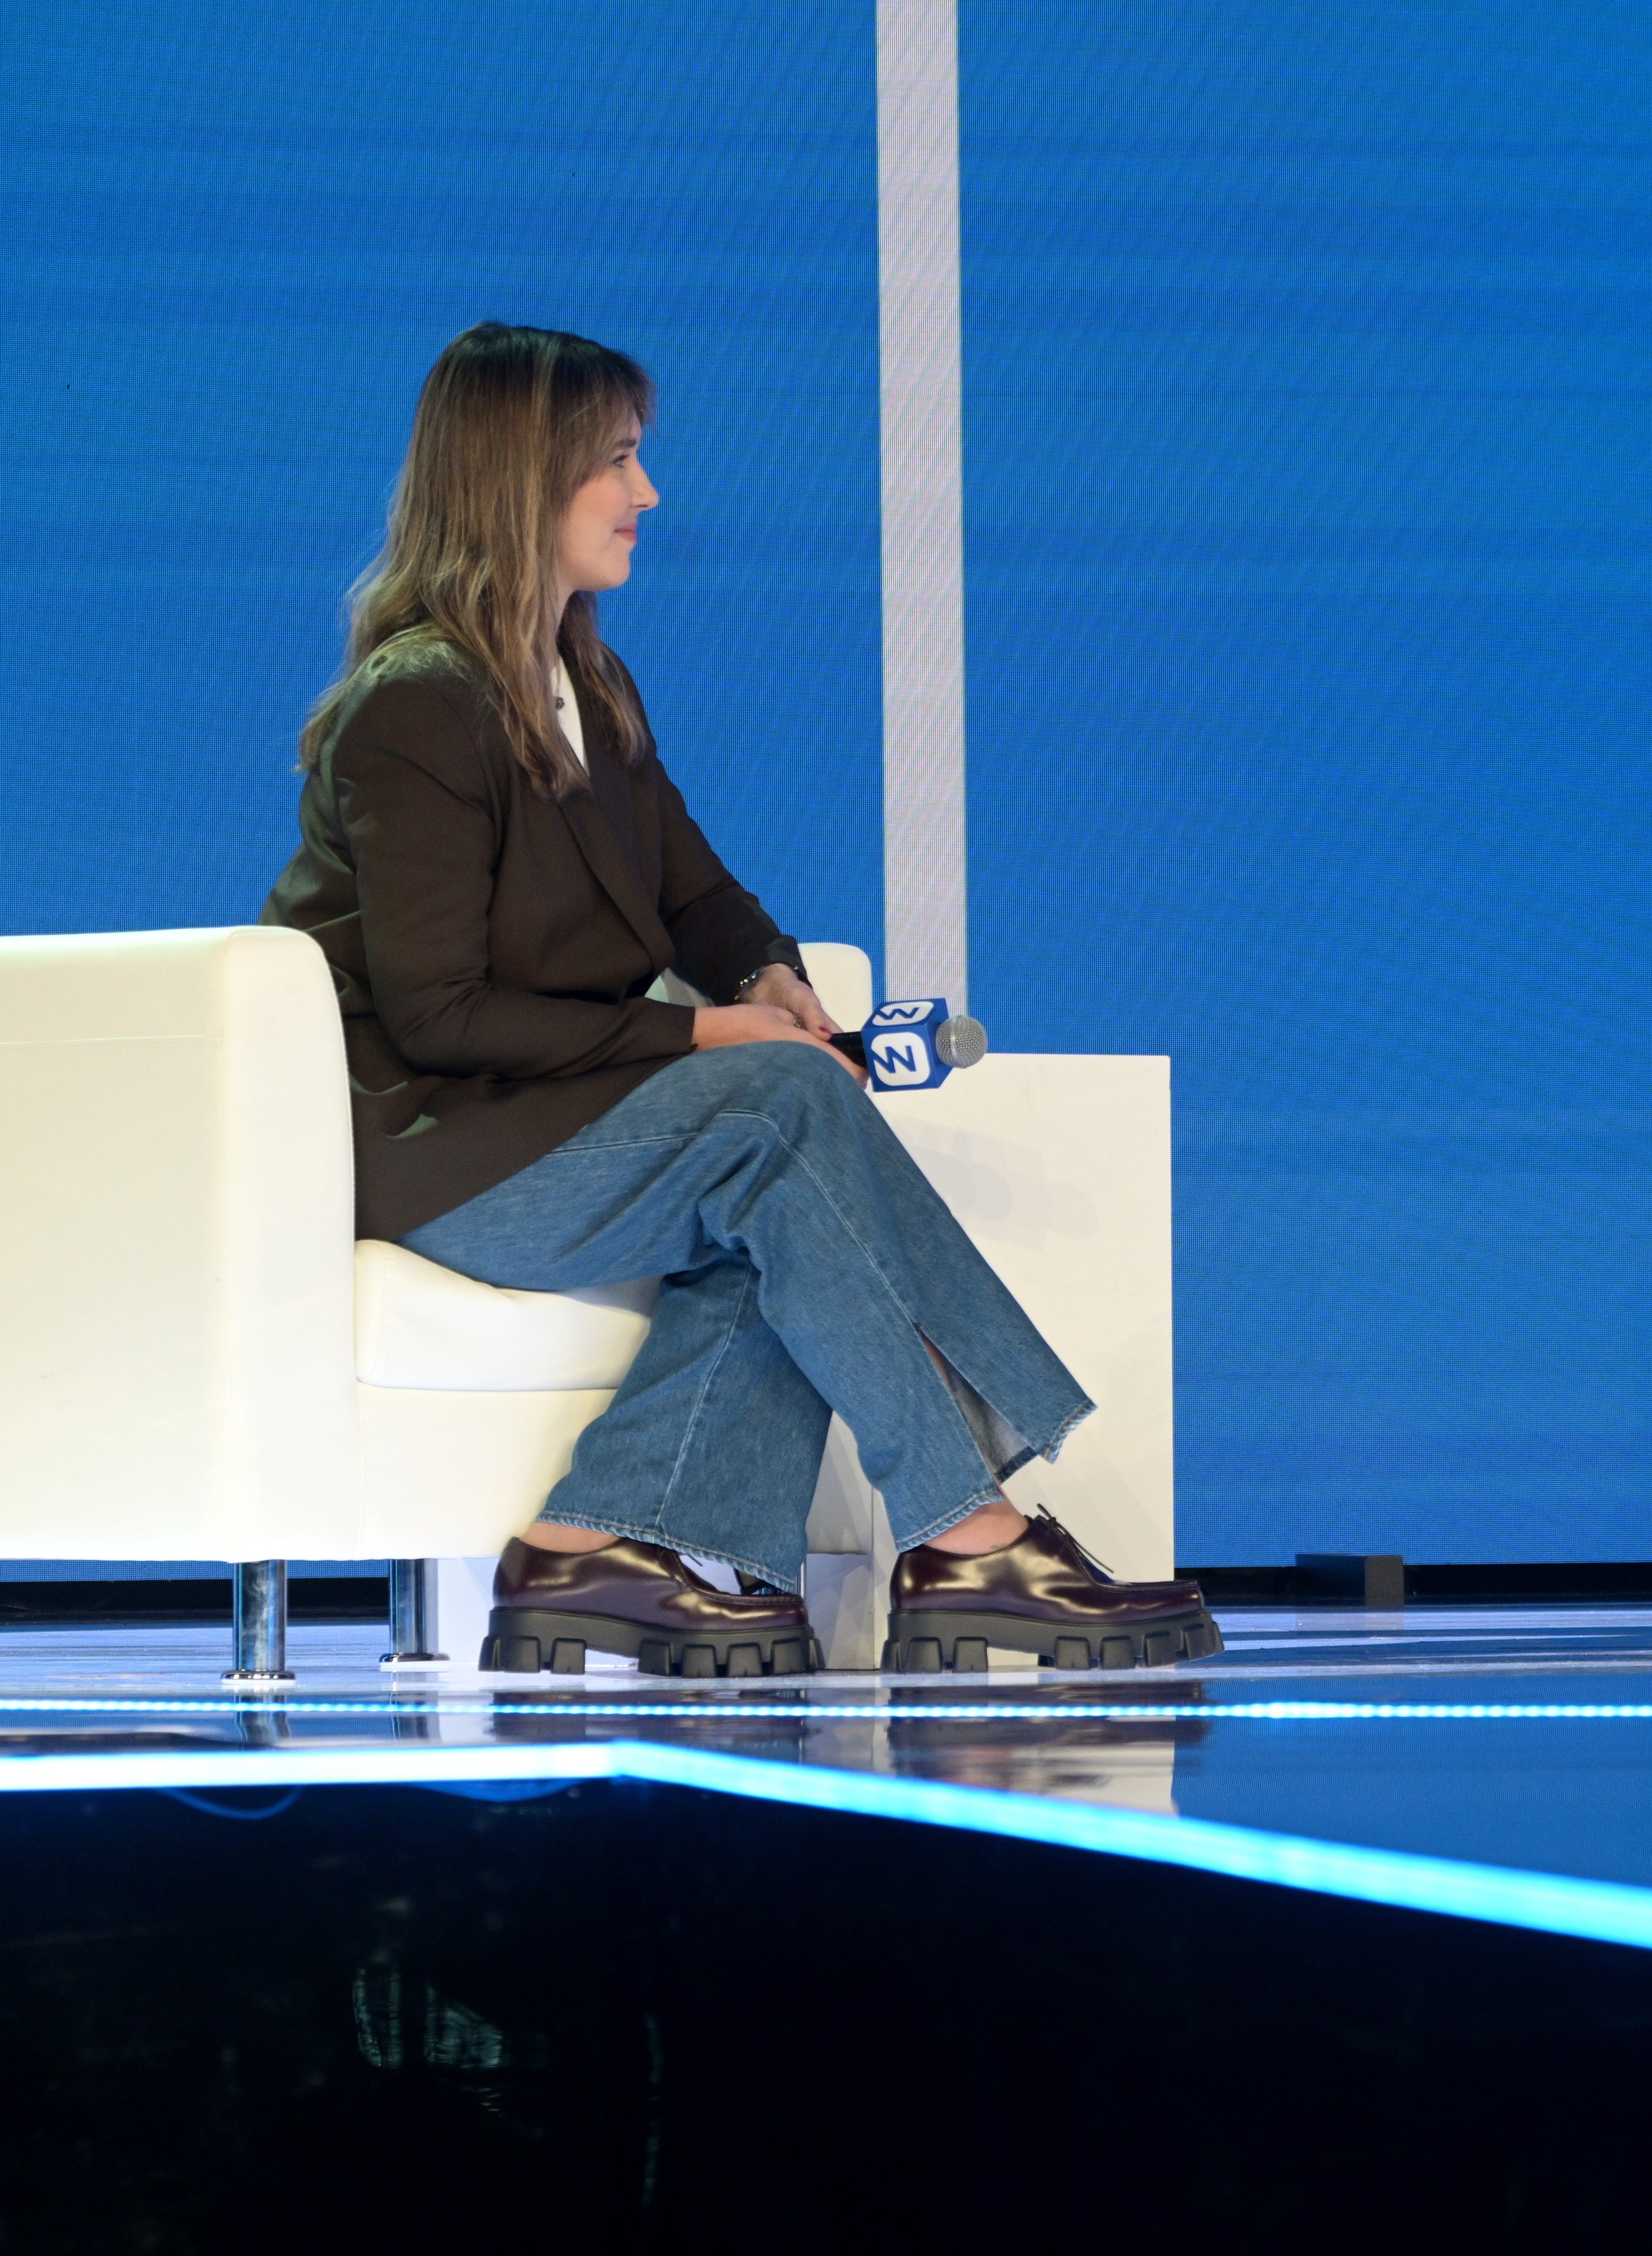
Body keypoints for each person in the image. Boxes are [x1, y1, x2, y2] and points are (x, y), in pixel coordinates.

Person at [262, 322, 1218, 1677]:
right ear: (521, 478)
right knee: (776, 1108)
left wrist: (766, 974)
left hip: (545, 1118)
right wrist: (710, 1030)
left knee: (780, 1200)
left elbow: (696, 894)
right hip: (438, 1151)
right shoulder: (415, 707)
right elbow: (440, 1017)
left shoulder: (585, 684)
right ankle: (968, 1533)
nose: (645, 493)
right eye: (616, 461)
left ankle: (595, 1543)